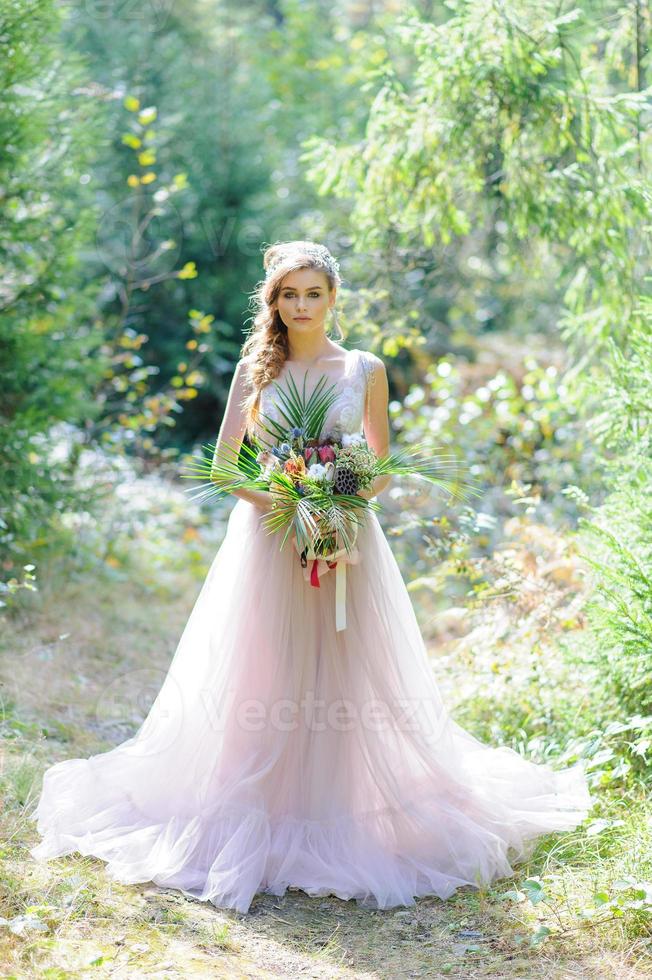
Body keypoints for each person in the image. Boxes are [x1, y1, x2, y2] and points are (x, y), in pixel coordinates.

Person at [29, 239, 593, 914]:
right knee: (263, 669)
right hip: (268, 542)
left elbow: (381, 462)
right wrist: (293, 509)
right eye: (288, 294)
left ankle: (345, 806)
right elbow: (224, 468)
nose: (300, 306)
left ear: (333, 298)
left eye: (312, 293)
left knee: (348, 670)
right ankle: (259, 803)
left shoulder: (365, 368)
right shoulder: (254, 370)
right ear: (274, 301)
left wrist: (338, 509)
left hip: (348, 541)